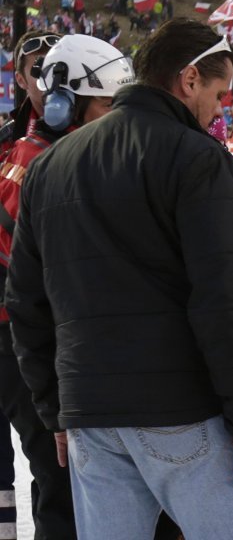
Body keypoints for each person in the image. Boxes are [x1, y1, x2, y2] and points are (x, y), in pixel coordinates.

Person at [4, 18, 233, 539]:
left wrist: (56, 409)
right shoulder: (198, 157)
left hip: (90, 413)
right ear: (189, 79)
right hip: (180, 410)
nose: (220, 108)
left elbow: (26, 304)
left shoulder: (48, 166)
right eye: (219, 92)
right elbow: (225, 298)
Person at [0, 30, 62, 540]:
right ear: (20, 79)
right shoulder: (13, 144)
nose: (49, 79)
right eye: (37, 69)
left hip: (40, 336)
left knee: (55, 474)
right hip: (19, 332)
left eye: (59, 65)